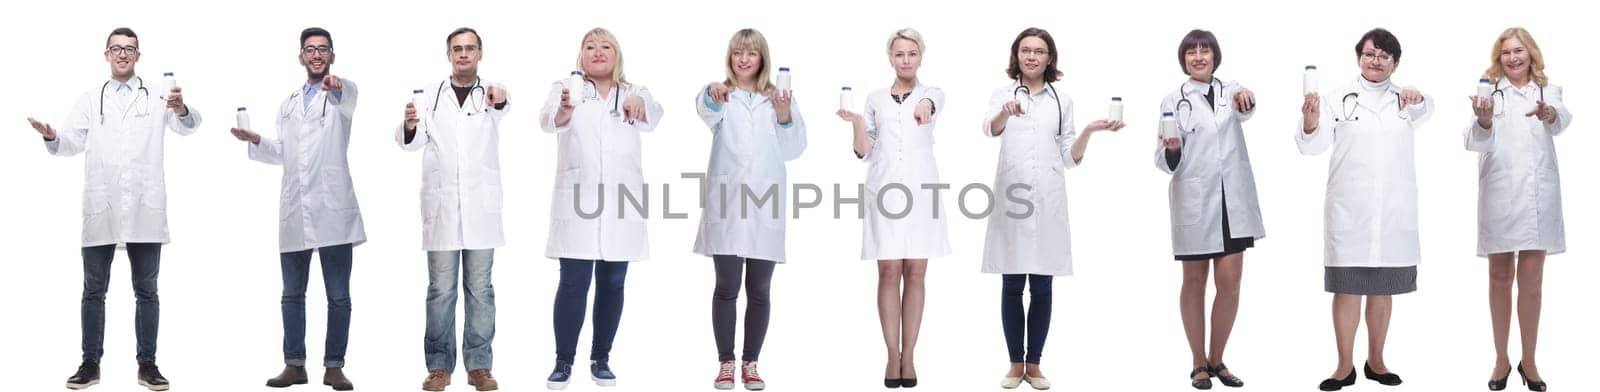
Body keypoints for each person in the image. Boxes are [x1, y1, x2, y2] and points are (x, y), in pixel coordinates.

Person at [28, 27, 202, 392]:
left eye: (129, 49)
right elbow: (71, 142)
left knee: (147, 290)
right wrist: (51, 136)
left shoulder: (159, 96)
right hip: (102, 207)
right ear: (106, 54)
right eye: (116, 48)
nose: (123, 54)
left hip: (144, 207)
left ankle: (148, 365)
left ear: (138, 55)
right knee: (93, 290)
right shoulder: (91, 99)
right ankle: (90, 364)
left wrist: (182, 109)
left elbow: (188, 126)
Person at [981, 27, 1122, 391]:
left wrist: (1089, 131)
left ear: (1049, 58)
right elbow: (990, 129)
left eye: (1039, 51)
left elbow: (1068, 157)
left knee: (1042, 284)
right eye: (1025, 50)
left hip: (1047, 199)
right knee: (1012, 282)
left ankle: (1035, 364)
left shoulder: (1063, 100)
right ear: (1017, 56)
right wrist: (1005, 113)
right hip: (1013, 199)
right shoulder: (1003, 94)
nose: (1031, 56)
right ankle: (1015, 365)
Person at [1297, 28, 1432, 392]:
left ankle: (1377, 360)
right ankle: (1344, 366)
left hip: (1392, 212)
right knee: (1347, 289)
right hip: (1350, 212)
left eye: (1384, 56)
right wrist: (1310, 121)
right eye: (1370, 54)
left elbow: (1425, 108)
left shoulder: (1408, 100)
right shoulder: (1334, 99)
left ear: (1395, 63)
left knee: (1382, 289)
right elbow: (1311, 146)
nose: (1376, 61)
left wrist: (1416, 98)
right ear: (1359, 57)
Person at [228, 27, 362, 391]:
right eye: (309, 50)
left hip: (334, 211)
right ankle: (294, 365)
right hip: (295, 211)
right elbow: (286, 153)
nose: (316, 55)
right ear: (300, 57)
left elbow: (343, 95)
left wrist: (336, 88)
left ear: (332, 55)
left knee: (338, 295)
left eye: (322, 49)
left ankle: (334, 366)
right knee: (291, 294)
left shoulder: (342, 92)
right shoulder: (287, 103)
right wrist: (258, 141)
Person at [538, 27, 663, 390]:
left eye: (605, 46)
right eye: (590, 46)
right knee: (573, 283)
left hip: (621, 204)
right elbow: (547, 121)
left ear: (616, 54)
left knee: (613, 283)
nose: (597, 52)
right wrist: (564, 108)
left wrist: (642, 106)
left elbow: (654, 117)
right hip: (578, 201)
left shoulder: (635, 91)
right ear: (581, 55)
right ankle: (563, 362)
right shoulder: (566, 87)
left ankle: (601, 359)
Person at [835, 27, 950, 389]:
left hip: (922, 189)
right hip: (884, 189)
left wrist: (925, 105)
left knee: (916, 272)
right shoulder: (874, 98)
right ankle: (891, 355)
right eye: (899, 54)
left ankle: (910, 355)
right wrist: (855, 124)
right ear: (890, 57)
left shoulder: (932, 93)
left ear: (921, 57)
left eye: (912, 54)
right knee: (887, 271)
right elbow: (863, 151)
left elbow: (932, 104)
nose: (905, 60)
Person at [693, 28, 807, 391]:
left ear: (762, 59)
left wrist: (786, 115)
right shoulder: (719, 93)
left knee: (760, 288)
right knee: (726, 286)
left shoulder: (779, 97)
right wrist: (712, 97)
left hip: (765, 202)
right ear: (730, 57)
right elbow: (705, 111)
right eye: (738, 52)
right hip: (727, 203)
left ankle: (751, 364)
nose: (744, 59)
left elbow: (793, 149)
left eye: (752, 53)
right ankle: (726, 363)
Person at [396, 27, 510, 392]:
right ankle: (439, 367)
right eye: (457, 49)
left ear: (480, 53)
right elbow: (409, 144)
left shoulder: (491, 94)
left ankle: (479, 366)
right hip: (442, 208)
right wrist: (410, 125)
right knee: (441, 290)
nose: (463, 54)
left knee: (481, 289)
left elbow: (505, 105)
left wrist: (502, 98)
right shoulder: (428, 96)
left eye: (470, 48)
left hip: (481, 208)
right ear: (448, 55)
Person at [1153, 29, 1262, 390]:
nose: (1198, 57)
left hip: (1233, 202)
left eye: (1205, 51)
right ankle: (1198, 362)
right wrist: (1171, 148)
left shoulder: (1233, 91)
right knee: (1194, 283)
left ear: (1215, 56)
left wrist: (1247, 96)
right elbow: (1163, 160)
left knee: (1230, 285)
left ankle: (1218, 358)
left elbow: (1246, 109)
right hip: (1195, 201)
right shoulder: (1173, 100)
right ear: (1183, 59)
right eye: (1191, 53)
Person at [1464, 27, 1568, 392]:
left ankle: (1530, 359)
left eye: (1518, 50)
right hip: (1499, 193)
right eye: (1506, 52)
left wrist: (1549, 113)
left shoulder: (1547, 91)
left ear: (1531, 54)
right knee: (1498, 278)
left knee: (1533, 283)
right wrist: (1484, 120)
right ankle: (1500, 358)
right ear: (1499, 57)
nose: (1512, 57)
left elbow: (1562, 123)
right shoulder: (1488, 93)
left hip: (1538, 196)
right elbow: (1473, 142)